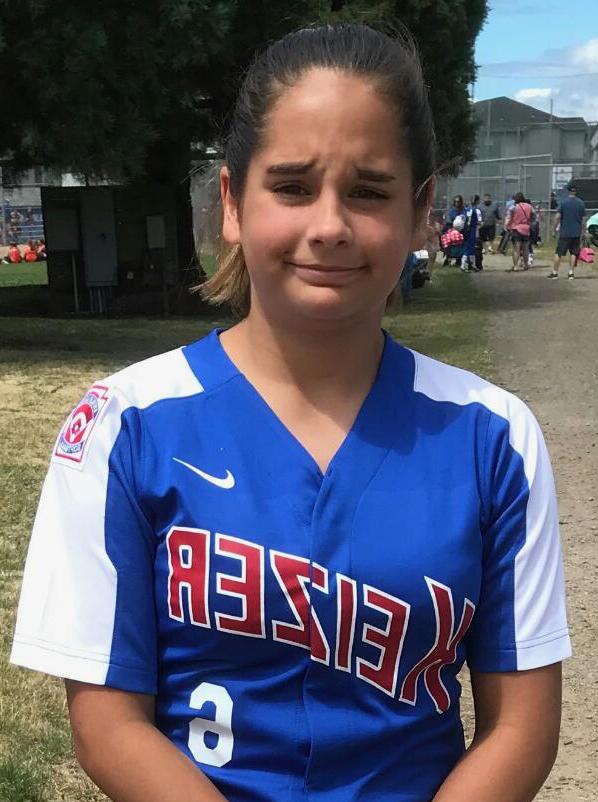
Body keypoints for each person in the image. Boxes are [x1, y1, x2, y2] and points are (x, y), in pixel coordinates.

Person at [11, 23, 570, 802]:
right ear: (233, 203)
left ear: (420, 211)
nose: (329, 225)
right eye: (293, 186)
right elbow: (108, 720)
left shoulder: (494, 436)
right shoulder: (123, 426)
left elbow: (522, 728)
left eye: (368, 191)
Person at [548, 182, 586, 280]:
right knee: (573, 253)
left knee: (558, 253)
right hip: (576, 232)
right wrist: (583, 232)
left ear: (568, 191)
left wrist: (554, 229)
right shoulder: (581, 203)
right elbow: (583, 220)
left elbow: (557, 216)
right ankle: (571, 273)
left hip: (565, 232)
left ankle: (555, 272)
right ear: (576, 191)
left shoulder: (564, 202)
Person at [505, 192, 534, 272]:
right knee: (525, 249)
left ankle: (515, 266)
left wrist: (507, 226)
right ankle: (526, 264)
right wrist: (530, 223)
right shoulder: (529, 206)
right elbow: (534, 216)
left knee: (516, 249)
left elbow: (508, 217)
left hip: (516, 229)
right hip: (526, 229)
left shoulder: (513, 207)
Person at [460, 195, 483, 272]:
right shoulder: (477, 210)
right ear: (477, 201)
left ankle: (473, 264)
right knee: (470, 248)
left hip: (465, 231)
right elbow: (479, 222)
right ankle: (463, 266)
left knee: (470, 247)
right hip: (473, 231)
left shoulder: (466, 209)